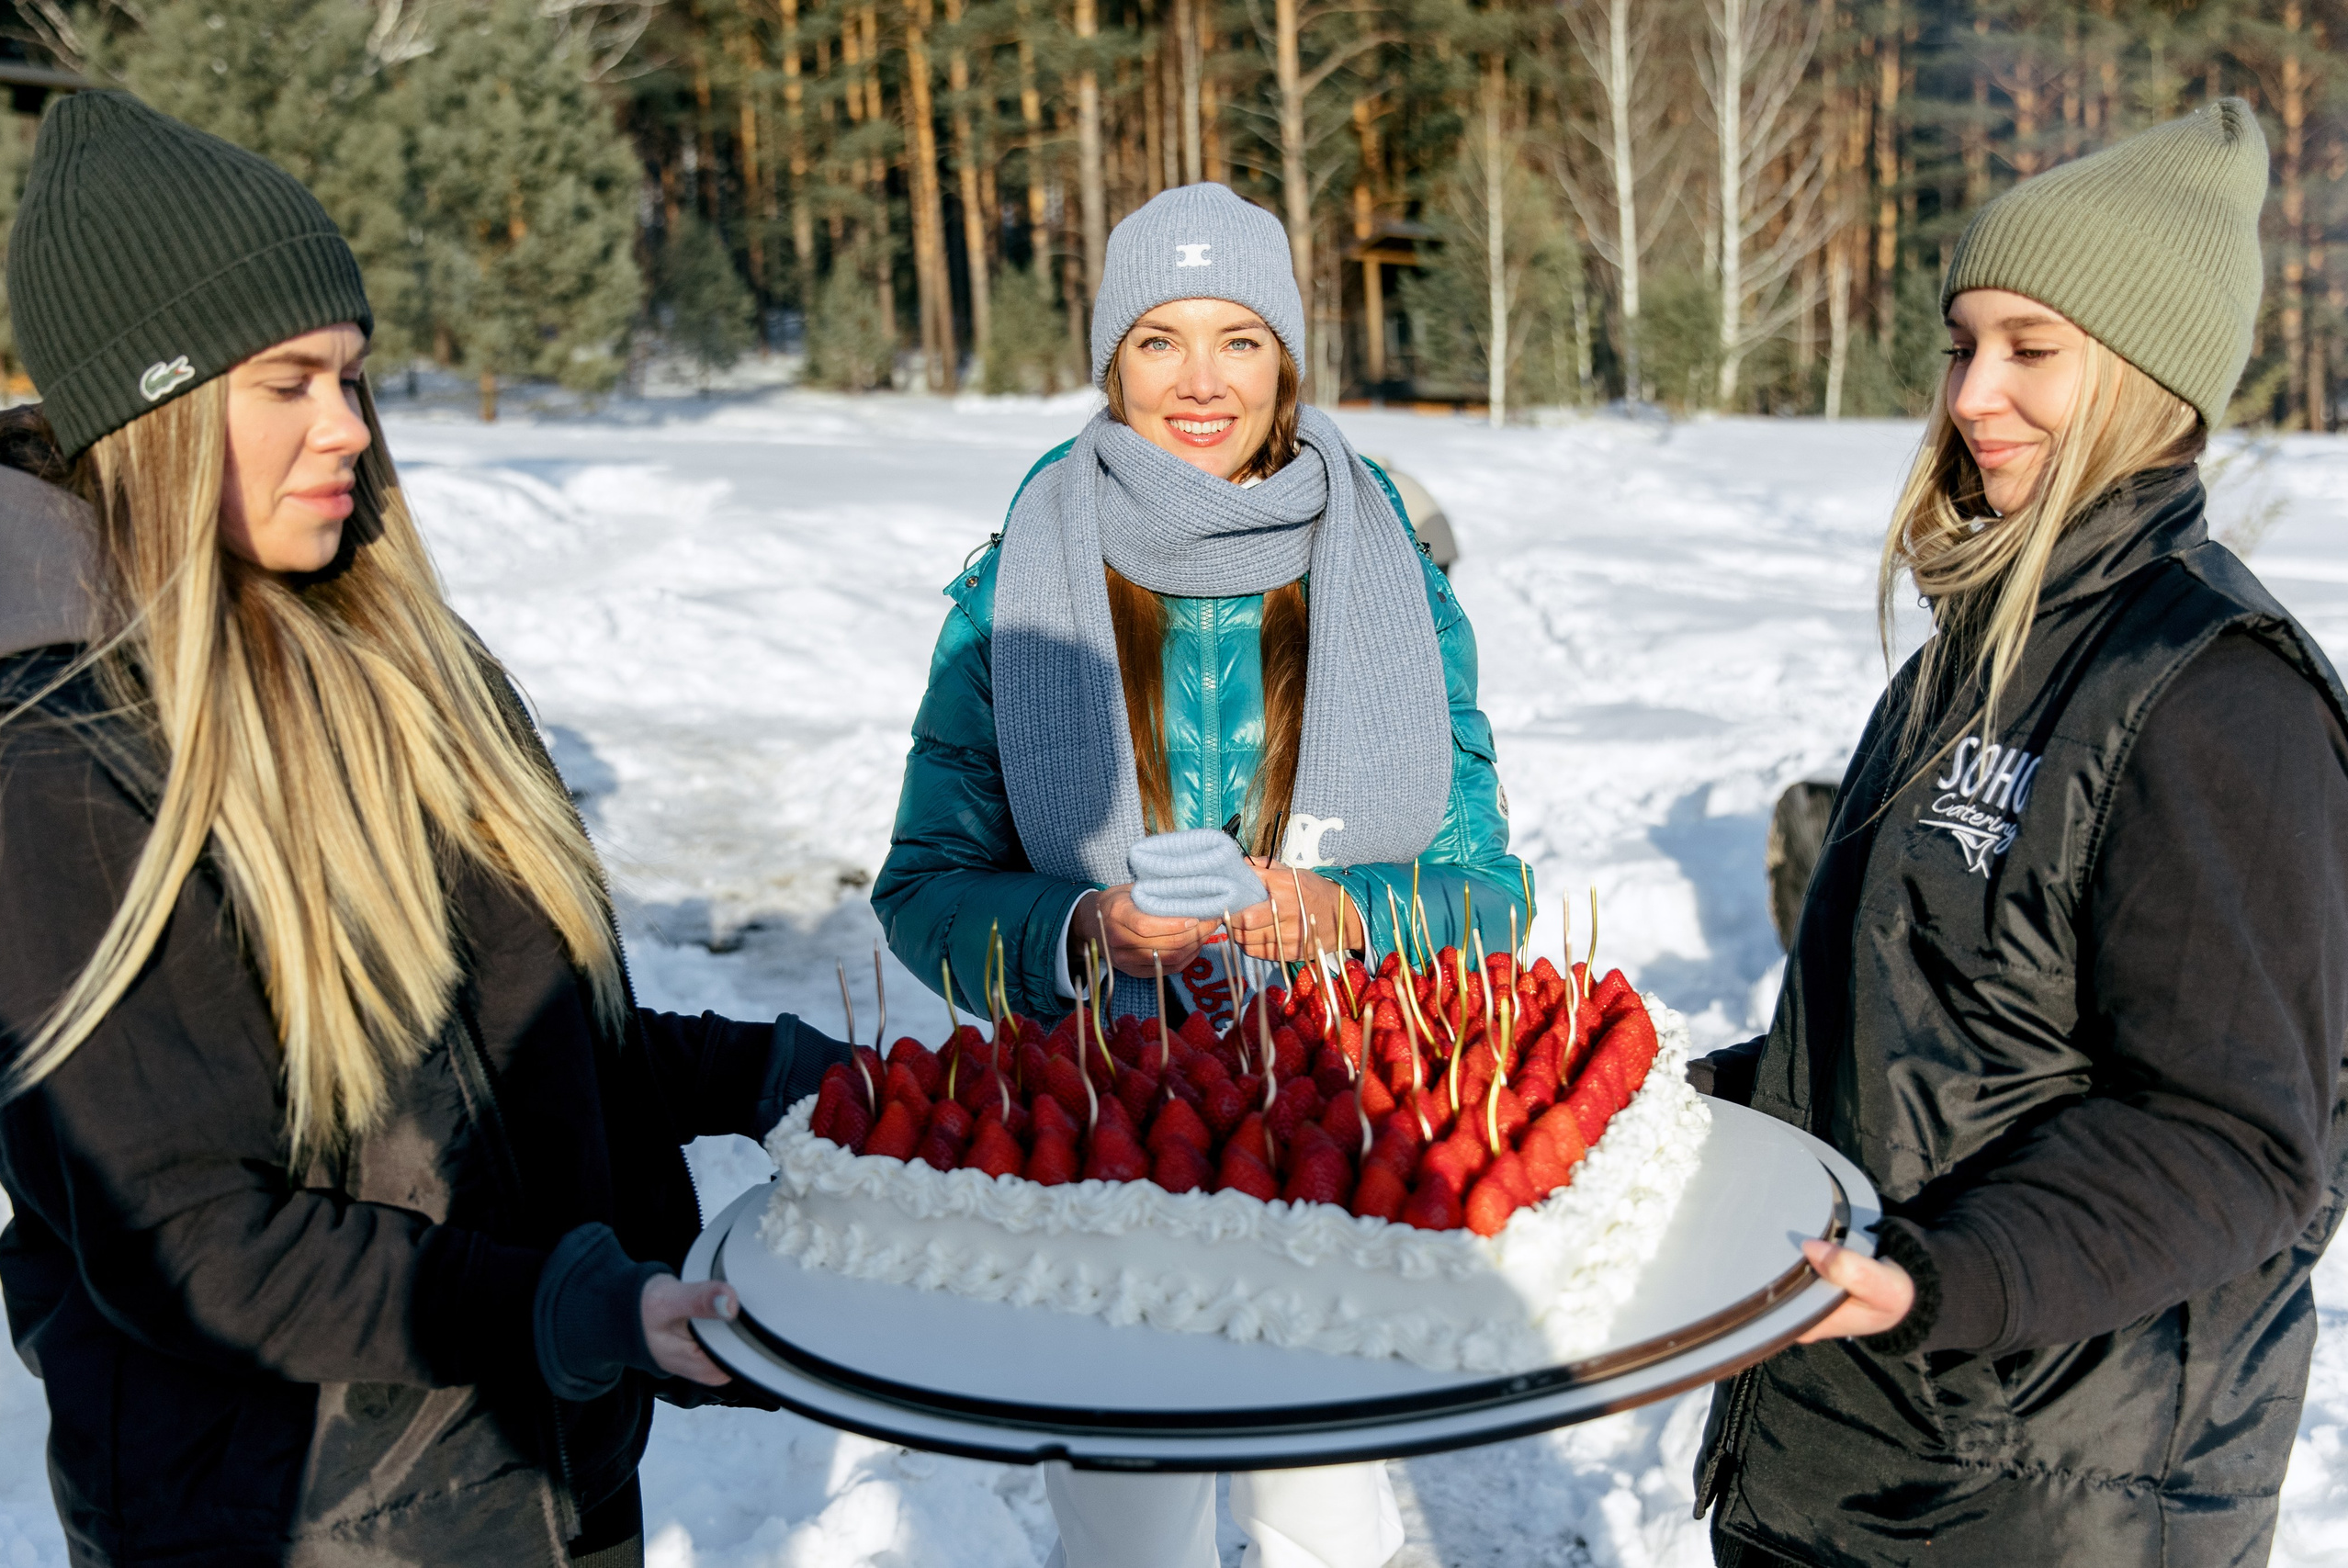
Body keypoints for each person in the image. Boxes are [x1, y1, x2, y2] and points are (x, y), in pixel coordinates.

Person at [0, 93, 847, 1566]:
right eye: (288, 382)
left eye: (354, 376)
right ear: (155, 407)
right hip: (291, 1521)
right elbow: (190, 1234)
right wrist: (563, 1306)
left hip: (544, 1471)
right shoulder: (59, 758)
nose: (352, 429)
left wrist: (777, 1075)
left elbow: (509, 1052)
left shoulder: (394, 658)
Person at [1690, 99, 2348, 1567]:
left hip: (2043, 1496)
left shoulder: (2211, 697)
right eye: (1962, 343)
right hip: (1844, 1449)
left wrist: (1937, 1277)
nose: (1974, 393)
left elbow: (2237, 1138)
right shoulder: (1976, 656)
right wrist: (1662, 1122)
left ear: (2147, 374)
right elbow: (1922, 1041)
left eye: (2032, 349)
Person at [874, 182, 1527, 1566]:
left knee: (1325, 1522)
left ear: (1288, 355)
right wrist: (1084, 930)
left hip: (1328, 1120)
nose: (1201, 381)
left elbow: (1487, 890)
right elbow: (925, 888)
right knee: (1127, 1526)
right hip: (1100, 1133)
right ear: (1110, 361)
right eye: (1160, 339)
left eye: (1239, 337)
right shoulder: (1020, 588)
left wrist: (1345, 912)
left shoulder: (1395, 579)